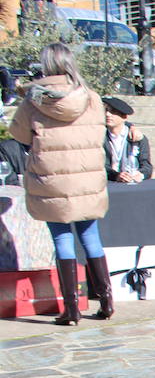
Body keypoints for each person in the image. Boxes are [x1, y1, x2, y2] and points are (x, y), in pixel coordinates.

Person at [10, 43, 113, 326]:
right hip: (87, 177)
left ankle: (71, 310)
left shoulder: (34, 100)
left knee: (62, 239)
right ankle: (106, 302)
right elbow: (99, 131)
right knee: (91, 237)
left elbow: (17, 133)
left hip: (51, 179)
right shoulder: (90, 97)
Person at [102, 97, 153, 183]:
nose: (108, 114)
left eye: (113, 112)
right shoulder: (101, 137)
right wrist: (116, 176)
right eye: (106, 111)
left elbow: (147, 166)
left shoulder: (138, 138)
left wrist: (140, 175)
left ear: (124, 117)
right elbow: (101, 165)